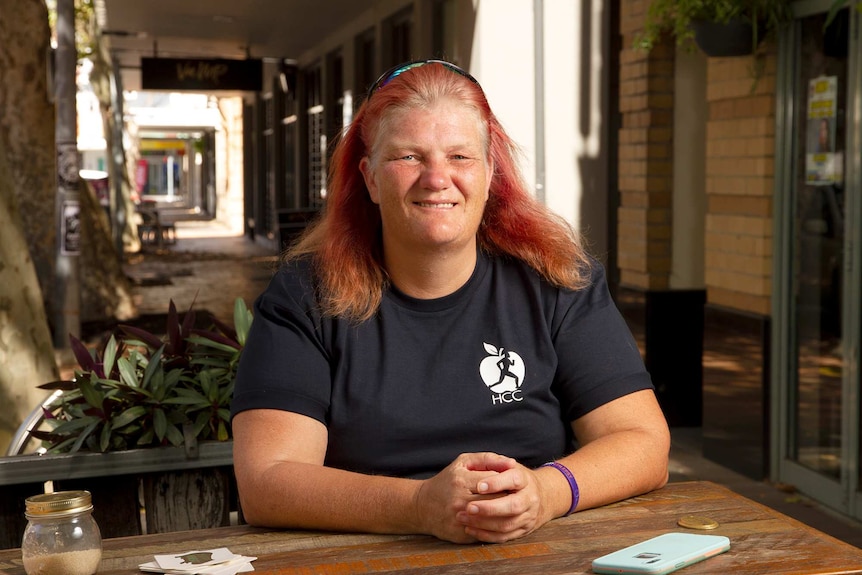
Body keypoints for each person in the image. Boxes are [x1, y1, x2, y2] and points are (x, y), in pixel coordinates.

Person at [230, 59, 670, 544]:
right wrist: (419, 507)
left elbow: (644, 443)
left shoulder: (557, 280)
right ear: (371, 179)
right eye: (408, 157)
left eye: (460, 157)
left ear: (489, 175)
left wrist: (546, 492)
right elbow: (267, 481)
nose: (437, 178)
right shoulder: (307, 294)